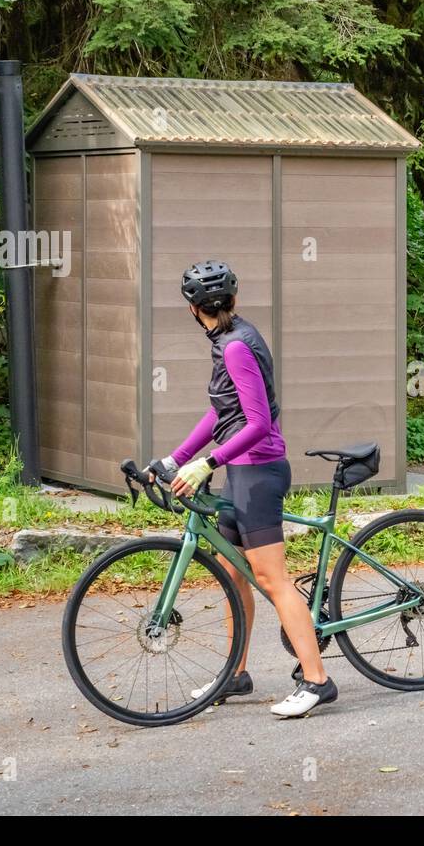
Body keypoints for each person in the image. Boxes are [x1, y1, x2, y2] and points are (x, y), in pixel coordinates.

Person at [153, 260, 337, 719]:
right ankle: (235, 674)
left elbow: (257, 424)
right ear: (231, 301)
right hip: (241, 472)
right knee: (233, 572)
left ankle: (318, 680)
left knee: (272, 579)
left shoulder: (235, 347)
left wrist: (205, 464)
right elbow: (222, 414)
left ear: (194, 310)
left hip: (258, 472)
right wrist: (178, 458)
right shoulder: (234, 338)